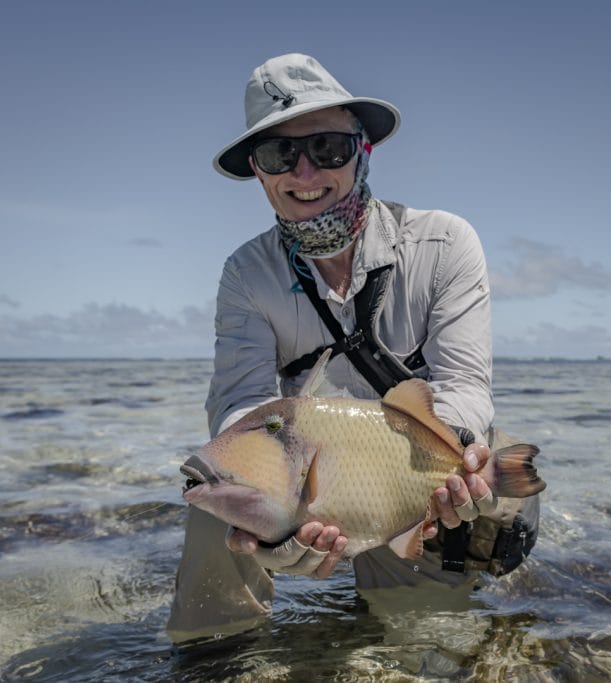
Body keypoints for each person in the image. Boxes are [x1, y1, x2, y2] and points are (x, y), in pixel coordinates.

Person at [167, 53, 540, 643]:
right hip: (305, 480)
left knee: (422, 640)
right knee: (216, 494)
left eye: (329, 148)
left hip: (420, 471)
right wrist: (273, 516)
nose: (306, 172)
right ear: (259, 174)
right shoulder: (244, 275)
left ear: (363, 149)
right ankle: (217, 655)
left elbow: (467, 389)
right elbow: (240, 405)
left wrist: (460, 466)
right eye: (278, 155)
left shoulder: (445, 243)